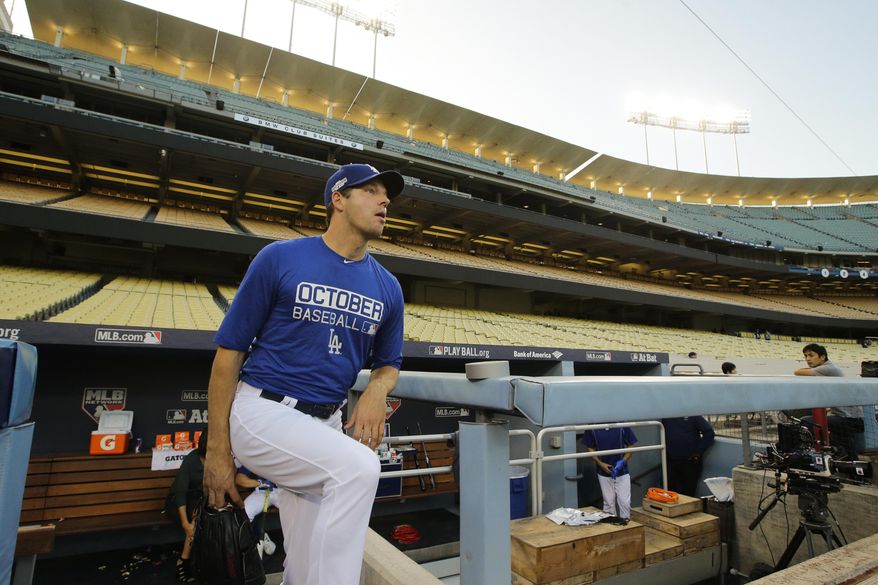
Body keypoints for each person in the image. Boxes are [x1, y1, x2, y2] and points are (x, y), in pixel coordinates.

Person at [204, 163, 405, 585]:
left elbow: (389, 364)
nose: (385, 201)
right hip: (265, 412)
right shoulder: (280, 257)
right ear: (338, 198)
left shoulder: (388, 287)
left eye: (386, 194)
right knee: (360, 469)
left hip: (327, 422)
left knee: (306, 557)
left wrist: (375, 391)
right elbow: (228, 355)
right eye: (371, 191)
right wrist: (217, 452)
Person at [794, 343, 863, 459]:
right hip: (849, 418)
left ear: (822, 357)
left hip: (849, 420)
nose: (807, 359)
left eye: (811, 355)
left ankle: (807, 452)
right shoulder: (827, 369)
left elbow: (798, 372)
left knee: (806, 421)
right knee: (846, 448)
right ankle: (854, 472)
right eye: (805, 356)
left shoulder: (828, 368)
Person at [171, 427, 208, 583]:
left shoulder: (217, 459)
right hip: (180, 503)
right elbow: (180, 492)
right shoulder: (191, 460)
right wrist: (185, 523)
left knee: (201, 513)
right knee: (196, 517)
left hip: (200, 501)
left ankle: (199, 560)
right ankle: (183, 560)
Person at [582, 425, 637, 520]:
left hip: (622, 471)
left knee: (624, 502)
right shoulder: (592, 427)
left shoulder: (621, 425)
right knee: (608, 503)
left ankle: (626, 526)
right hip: (603, 471)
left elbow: (631, 445)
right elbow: (590, 448)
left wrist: (623, 461)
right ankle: (611, 527)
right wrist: (600, 463)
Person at [661, 416, 715, 496]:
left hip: (690, 460)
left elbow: (709, 433)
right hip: (670, 460)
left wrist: (698, 451)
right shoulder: (666, 417)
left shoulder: (693, 416)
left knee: (688, 491)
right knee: (670, 491)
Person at [235, 467, 279, 557]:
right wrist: (260, 483)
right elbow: (239, 479)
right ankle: (259, 536)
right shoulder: (255, 454)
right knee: (244, 514)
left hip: (284, 491)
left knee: (296, 513)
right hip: (262, 491)